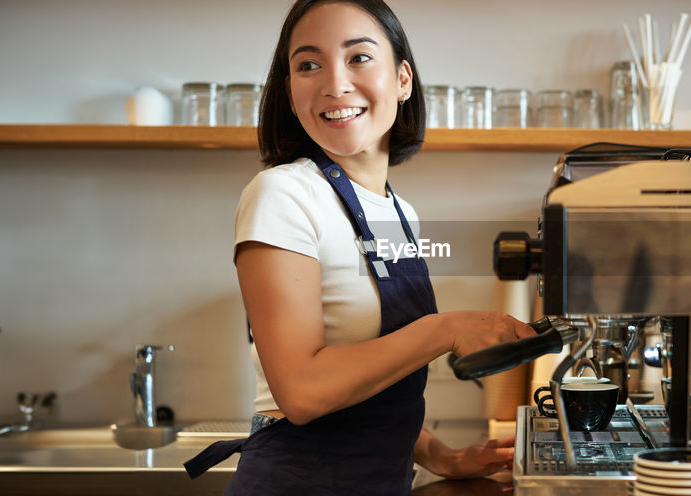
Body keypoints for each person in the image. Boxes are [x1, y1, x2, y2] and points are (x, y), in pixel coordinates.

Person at [183, 0, 536, 493]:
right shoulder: (283, 194)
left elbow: (371, 387)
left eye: (359, 57)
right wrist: (446, 329)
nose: (334, 84)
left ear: (403, 80)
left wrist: (442, 456)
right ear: (290, 92)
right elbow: (303, 392)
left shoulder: (399, 213)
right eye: (308, 65)